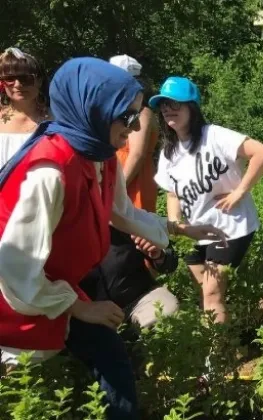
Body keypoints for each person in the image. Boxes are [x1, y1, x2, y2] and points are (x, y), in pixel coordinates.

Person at [0, 57, 226, 419]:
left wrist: (177, 230)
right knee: (25, 392)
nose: (136, 127)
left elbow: (121, 211)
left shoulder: (97, 155)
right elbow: (14, 267)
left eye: (137, 117)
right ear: (93, 110)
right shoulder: (50, 171)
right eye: (127, 117)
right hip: (19, 301)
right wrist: (81, 307)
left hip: (62, 289)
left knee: (114, 366)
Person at [151, 76, 263, 325]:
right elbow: (172, 192)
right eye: (163, 104)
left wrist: (239, 192)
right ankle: (234, 331)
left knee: (211, 292)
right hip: (196, 231)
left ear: (191, 108)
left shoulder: (214, 136)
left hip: (229, 227)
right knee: (205, 292)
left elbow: (262, 152)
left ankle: (215, 360)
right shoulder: (169, 152)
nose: (167, 109)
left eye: (175, 103)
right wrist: (175, 222)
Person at [80, 226, 179, 330]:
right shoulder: (64, 235)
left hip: (140, 298)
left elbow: (170, 262)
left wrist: (159, 255)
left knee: (165, 312)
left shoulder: (122, 219)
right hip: (90, 312)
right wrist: (83, 308)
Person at [109, 54, 160, 212]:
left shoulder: (143, 113)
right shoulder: (116, 112)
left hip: (133, 181)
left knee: (134, 232)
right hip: (115, 178)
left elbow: (137, 154)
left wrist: (116, 191)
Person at [0, 48, 49, 167]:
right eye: (10, 79)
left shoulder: (56, 119)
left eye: (25, 78)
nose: (17, 85)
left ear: (39, 81)